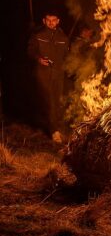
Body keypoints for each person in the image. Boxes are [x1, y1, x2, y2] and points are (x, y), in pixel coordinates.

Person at [27, 10, 69, 142]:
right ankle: (54, 131)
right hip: (43, 73)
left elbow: (68, 55)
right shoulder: (38, 35)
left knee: (59, 101)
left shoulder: (63, 38)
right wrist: (38, 58)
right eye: (48, 20)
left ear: (58, 21)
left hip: (59, 73)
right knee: (50, 101)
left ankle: (60, 129)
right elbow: (30, 51)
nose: (51, 23)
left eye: (54, 20)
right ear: (44, 21)